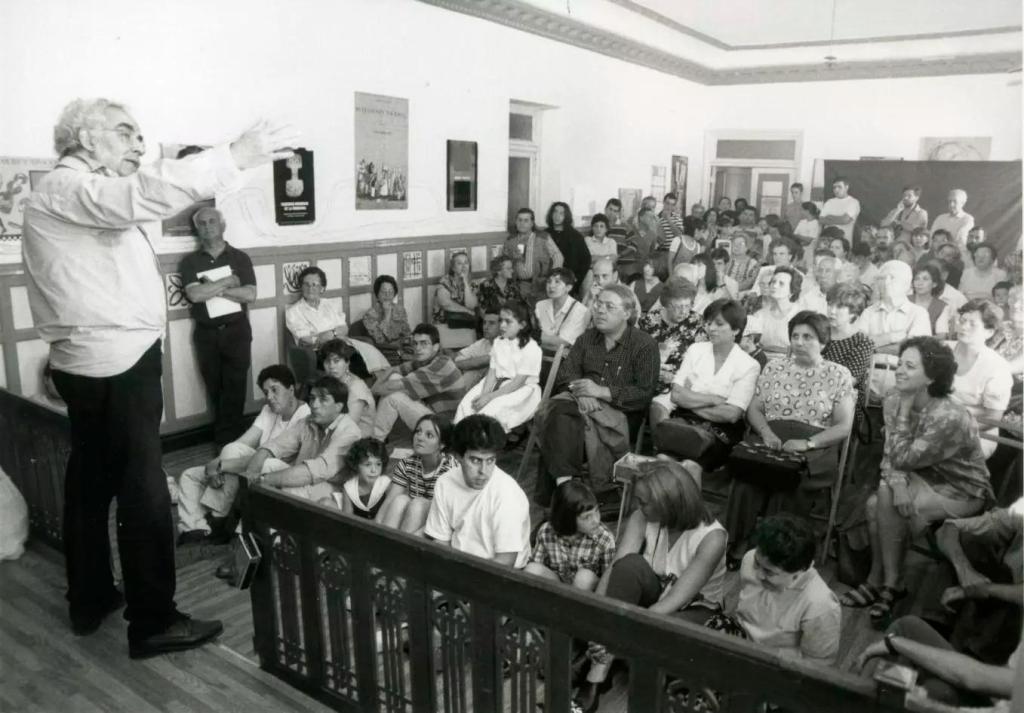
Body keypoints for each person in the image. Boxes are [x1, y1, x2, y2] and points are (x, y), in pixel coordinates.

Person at [23, 97, 296, 655]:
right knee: (144, 488)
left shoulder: (69, 193)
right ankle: (153, 621)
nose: (139, 144)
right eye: (125, 132)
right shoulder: (71, 187)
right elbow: (141, 193)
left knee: (90, 481)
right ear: (86, 139)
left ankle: (91, 597)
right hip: (117, 363)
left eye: (140, 135)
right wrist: (233, 156)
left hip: (91, 360)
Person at [841, 338, 992, 626]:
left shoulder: (948, 416)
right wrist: (898, 484)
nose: (899, 370)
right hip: (917, 475)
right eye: (900, 363)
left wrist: (903, 414)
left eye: (909, 366)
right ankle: (886, 582)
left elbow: (904, 457)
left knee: (881, 505)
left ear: (931, 377)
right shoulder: (893, 399)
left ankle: (883, 582)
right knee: (880, 501)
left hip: (962, 489)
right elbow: (891, 455)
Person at [576, 461, 727, 713]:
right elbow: (616, 567)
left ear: (669, 503)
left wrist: (613, 636)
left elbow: (675, 600)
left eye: (644, 502)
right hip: (655, 594)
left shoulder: (713, 538)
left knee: (660, 637)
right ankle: (599, 671)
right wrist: (600, 621)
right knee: (629, 565)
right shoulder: (642, 517)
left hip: (691, 609)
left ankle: (602, 663)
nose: (638, 507)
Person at [725, 311, 855, 564]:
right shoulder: (775, 367)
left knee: (788, 482)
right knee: (746, 477)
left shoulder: (838, 374)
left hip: (814, 447)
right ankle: (739, 540)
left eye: (808, 337)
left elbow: (843, 426)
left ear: (823, 341)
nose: (799, 342)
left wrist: (808, 443)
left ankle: (774, 550)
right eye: (795, 336)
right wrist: (766, 432)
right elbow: (754, 409)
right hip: (771, 439)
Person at [534, 284, 660, 505]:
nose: (600, 310)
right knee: (561, 415)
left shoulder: (644, 345)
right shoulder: (586, 339)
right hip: (577, 405)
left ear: (626, 313)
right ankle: (567, 493)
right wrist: (582, 393)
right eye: (598, 304)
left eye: (609, 306)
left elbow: (643, 393)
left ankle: (559, 500)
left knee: (558, 425)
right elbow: (567, 374)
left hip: (619, 414)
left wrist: (602, 392)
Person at [176, 365, 309, 544]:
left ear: (291, 389)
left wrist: (221, 466)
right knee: (190, 475)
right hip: (246, 469)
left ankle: (218, 517)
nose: (269, 397)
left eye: (274, 390)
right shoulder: (268, 410)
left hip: (273, 474)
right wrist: (213, 466)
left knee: (236, 457)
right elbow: (243, 442)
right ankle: (196, 528)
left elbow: (272, 460)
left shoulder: (305, 416)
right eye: (266, 392)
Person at [178, 206, 256, 447]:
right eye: (202, 223)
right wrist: (227, 281)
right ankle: (231, 443)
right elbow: (195, 295)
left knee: (236, 388)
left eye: (212, 221)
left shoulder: (240, 258)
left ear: (222, 225)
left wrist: (212, 288)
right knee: (215, 388)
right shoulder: (190, 262)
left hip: (237, 331)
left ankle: (228, 444)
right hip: (206, 335)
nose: (208, 226)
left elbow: (250, 294)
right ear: (197, 230)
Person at [652, 299, 760, 469]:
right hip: (685, 422)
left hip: (721, 432)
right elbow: (676, 395)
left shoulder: (748, 365)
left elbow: (731, 414)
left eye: (719, 324)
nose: (711, 328)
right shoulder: (696, 350)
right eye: (709, 323)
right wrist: (713, 400)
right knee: (662, 459)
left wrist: (690, 402)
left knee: (690, 465)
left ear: (736, 330)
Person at [719, 515, 841, 664]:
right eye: (757, 563)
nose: (758, 575)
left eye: (769, 572)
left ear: (799, 571)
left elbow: (817, 665)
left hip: (776, 664)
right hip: (741, 639)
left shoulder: (820, 605)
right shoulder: (750, 559)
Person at [424, 414, 531, 567]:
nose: (484, 471)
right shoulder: (445, 483)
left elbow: (506, 561)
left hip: (498, 573)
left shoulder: (508, 495)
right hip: (458, 563)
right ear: (458, 457)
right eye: (475, 460)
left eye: (490, 460)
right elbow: (441, 541)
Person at [241, 375, 362, 502]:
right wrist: (251, 474)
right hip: (305, 477)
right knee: (268, 464)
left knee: (292, 488)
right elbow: (274, 446)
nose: (314, 405)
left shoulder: (350, 432)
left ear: (339, 406)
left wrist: (262, 480)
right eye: (312, 398)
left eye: (323, 400)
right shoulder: (309, 421)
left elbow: (314, 472)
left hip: (335, 490)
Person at [856, 616, 1019, 709]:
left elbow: (971, 677)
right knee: (907, 628)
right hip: (996, 699)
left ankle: (875, 698)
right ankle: (876, 696)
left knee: (936, 691)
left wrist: (896, 644)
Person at [455, 300, 542, 431]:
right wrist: (484, 394)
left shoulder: (531, 348)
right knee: (467, 405)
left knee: (489, 412)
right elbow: (492, 373)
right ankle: (461, 441)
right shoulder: (498, 342)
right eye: (501, 320)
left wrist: (489, 397)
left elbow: (517, 383)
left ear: (522, 325)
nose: (502, 325)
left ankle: (482, 442)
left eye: (508, 321)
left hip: (520, 391)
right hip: (494, 384)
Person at [285, 265, 389, 374]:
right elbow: (305, 339)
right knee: (356, 361)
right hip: (318, 353)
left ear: (322, 288)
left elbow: (344, 329)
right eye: (306, 284)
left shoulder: (330, 304)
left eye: (314, 284)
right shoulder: (293, 312)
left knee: (369, 355)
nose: (310, 288)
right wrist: (330, 335)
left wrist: (329, 334)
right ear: (301, 287)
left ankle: (377, 379)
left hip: (342, 345)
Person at [372, 324, 464, 439]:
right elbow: (393, 370)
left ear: (435, 347)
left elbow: (388, 388)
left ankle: (375, 440)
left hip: (446, 428)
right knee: (394, 377)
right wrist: (376, 387)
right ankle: (377, 437)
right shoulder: (424, 361)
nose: (418, 348)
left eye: (424, 343)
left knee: (393, 397)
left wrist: (373, 391)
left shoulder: (441, 366)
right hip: (433, 413)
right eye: (415, 343)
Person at [948, 299, 1014, 458]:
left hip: (976, 433)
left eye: (973, 324)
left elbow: (993, 418)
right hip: (935, 423)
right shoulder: (943, 350)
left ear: (989, 332)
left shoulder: (996, 367)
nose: (964, 327)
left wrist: (954, 432)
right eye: (963, 320)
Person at [858, 260, 932, 399]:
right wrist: (892, 337)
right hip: (867, 381)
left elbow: (913, 353)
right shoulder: (868, 312)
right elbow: (858, 346)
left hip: (903, 383)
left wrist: (874, 347)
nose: (886, 282)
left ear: (906, 284)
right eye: (882, 278)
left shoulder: (918, 313)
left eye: (892, 277)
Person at [526, 480, 616, 591]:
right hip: (558, 587)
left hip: (587, 594)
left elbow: (608, 581)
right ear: (568, 519)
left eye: (597, 511)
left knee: (584, 579)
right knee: (532, 569)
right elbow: (537, 563)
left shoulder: (605, 538)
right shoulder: (546, 531)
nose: (596, 520)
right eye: (586, 517)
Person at [377, 414, 458, 534]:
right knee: (400, 500)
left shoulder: (451, 469)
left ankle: (403, 544)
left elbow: (445, 518)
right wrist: (375, 527)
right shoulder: (407, 464)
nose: (420, 438)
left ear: (442, 444)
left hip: (437, 528)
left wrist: (415, 538)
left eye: (429, 435)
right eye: (418, 432)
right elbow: (389, 501)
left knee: (418, 504)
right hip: (412, 521)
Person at [638, 277, 707, 397]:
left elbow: (702, 363)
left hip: (681, 386)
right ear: (666, 304)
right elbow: (637, 355)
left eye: (688, 305)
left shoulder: (697, 323)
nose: (684, 311)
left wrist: (675, 378)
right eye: (678, 306)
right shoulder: (649, 321)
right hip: (647, 380)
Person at [823, 285, 876, 420]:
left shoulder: (862, 342)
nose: (832, 311)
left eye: (839, 307)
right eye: (830, 304)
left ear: (853, 313)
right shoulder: (819, 332)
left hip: (842, 402)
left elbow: (849, 381)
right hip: (809, 392)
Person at [503, 207, 564, 303]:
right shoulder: (510, 240)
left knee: (538, 309)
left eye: (526, 220)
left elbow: (558, 257)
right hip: (517, 285)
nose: (522, 223)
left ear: (532, 223)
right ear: (516, 222)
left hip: (539, 284)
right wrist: (512, 259)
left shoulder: (543, 237)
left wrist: (553, 278)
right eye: (519, 220)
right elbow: (502, 262)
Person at [320, 339, 376, 437]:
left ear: (347, 363)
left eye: (336, 361)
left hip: (358, 439)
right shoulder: (331, 381)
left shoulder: (356, 388)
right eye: (327, 361)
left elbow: (348, 428)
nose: (331, 366)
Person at [745, 267, 804, 358]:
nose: (774, 286)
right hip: (762, 360)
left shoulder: (800, 315)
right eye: (773, 282)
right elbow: (749, 344)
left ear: (792, 290)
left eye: (781, 284)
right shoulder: (760, 315)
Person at [332, 437, 391, 520]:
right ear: (356, 465)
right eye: (367, 465)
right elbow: (347, 519)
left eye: (378, 464)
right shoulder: (349, 488)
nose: (374, 470)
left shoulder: (386, 484)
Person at [534, 267, 591, 350]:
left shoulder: (580, 310)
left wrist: (534, 337)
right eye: (549, 282)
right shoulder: (540, 305)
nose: (551, 286)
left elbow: (562, 342)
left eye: (557, 282)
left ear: (568, 287)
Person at [362, 274, 412, 365]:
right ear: (377, 294)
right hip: (386, 354)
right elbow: (380, 340)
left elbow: (407, 333)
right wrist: (387, 315)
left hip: (404, 349)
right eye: (383, 292)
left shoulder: (400, 309)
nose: (387, 295)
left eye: (390, 292)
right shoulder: (369, 315)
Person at [545, 201, 591, 299]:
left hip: (567, 282)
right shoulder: (544, 234)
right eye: (555, 212)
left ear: (566, 216)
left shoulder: (575, 236)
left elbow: (586, 259)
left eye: (561, 213)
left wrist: (576, 279)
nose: (557, 216)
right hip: (547, 280)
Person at [453, 306, 501, 390]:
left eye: (491, 323)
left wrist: (476, 364)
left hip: (500, 388)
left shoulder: (507, 344)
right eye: (484, 322)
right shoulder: (483, 342)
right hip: (482, 386)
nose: (486, 327)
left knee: (474, 373)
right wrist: (479, 363)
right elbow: (457, 360)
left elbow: (484, 361)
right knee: (472, 372)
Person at [432, 250, 478, 332]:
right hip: (444, 324)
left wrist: (465, 282)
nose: (464, 266)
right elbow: (446, 304)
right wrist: (467, 311)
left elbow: (471, 305)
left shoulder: (472, 283)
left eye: (466, 263)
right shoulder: (445, 281)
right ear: (453, 268)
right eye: (459, 263)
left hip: (465, 325)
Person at [909, 263, 953, 339]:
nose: (920, 283)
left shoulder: (941, 306)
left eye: (925, 279)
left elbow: (941, 336)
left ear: (934, 284)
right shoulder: (904, 301)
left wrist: (918, 341)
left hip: (927, 344)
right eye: (916, 279)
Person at [475, 254, 522, 319]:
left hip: (510, 321)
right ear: (498, 271)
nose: (512, 270)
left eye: (512, 268)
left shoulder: (514, 286)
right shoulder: (485, 286)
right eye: (508, 268)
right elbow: (482, 312)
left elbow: (519, 308)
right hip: (491, 322)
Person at [819, 176, 861, 242]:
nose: (836, 190)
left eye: (839, 187)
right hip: (827, 240)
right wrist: (840, 219)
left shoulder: (853, 202)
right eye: (834, 187)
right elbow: (821, 220)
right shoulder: (829, 202)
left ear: (846, 187)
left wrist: (829, 216)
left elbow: (844, 220)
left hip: (843, 241)